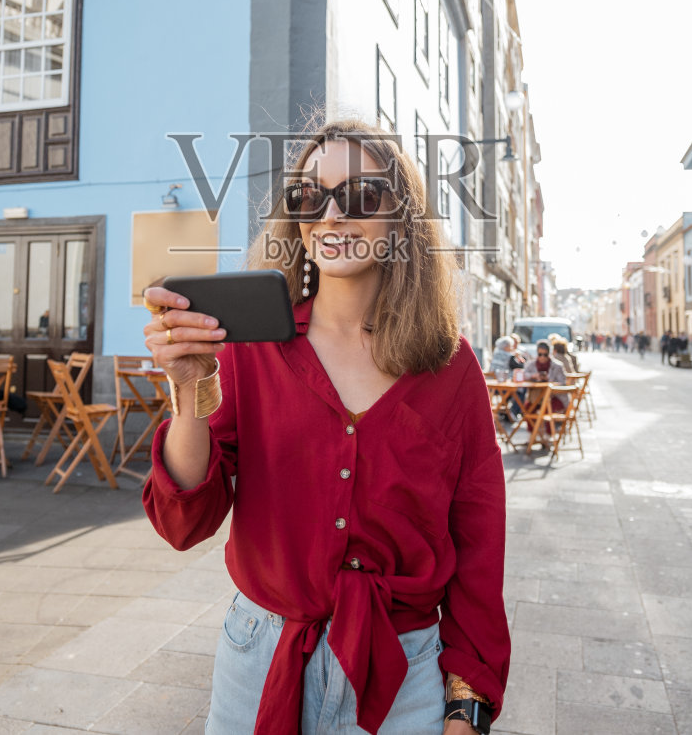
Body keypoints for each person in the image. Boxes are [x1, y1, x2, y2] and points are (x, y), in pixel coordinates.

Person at [141, 119, 510, 735]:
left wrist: (466, 706)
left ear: (401, 219)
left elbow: (479, 544)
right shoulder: (251, 350)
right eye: (310, 197)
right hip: (260, 661)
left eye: (362, 196)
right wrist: (186, 388)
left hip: (404, 675)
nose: (333, 216)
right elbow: (185, 522)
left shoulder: (452, 369)